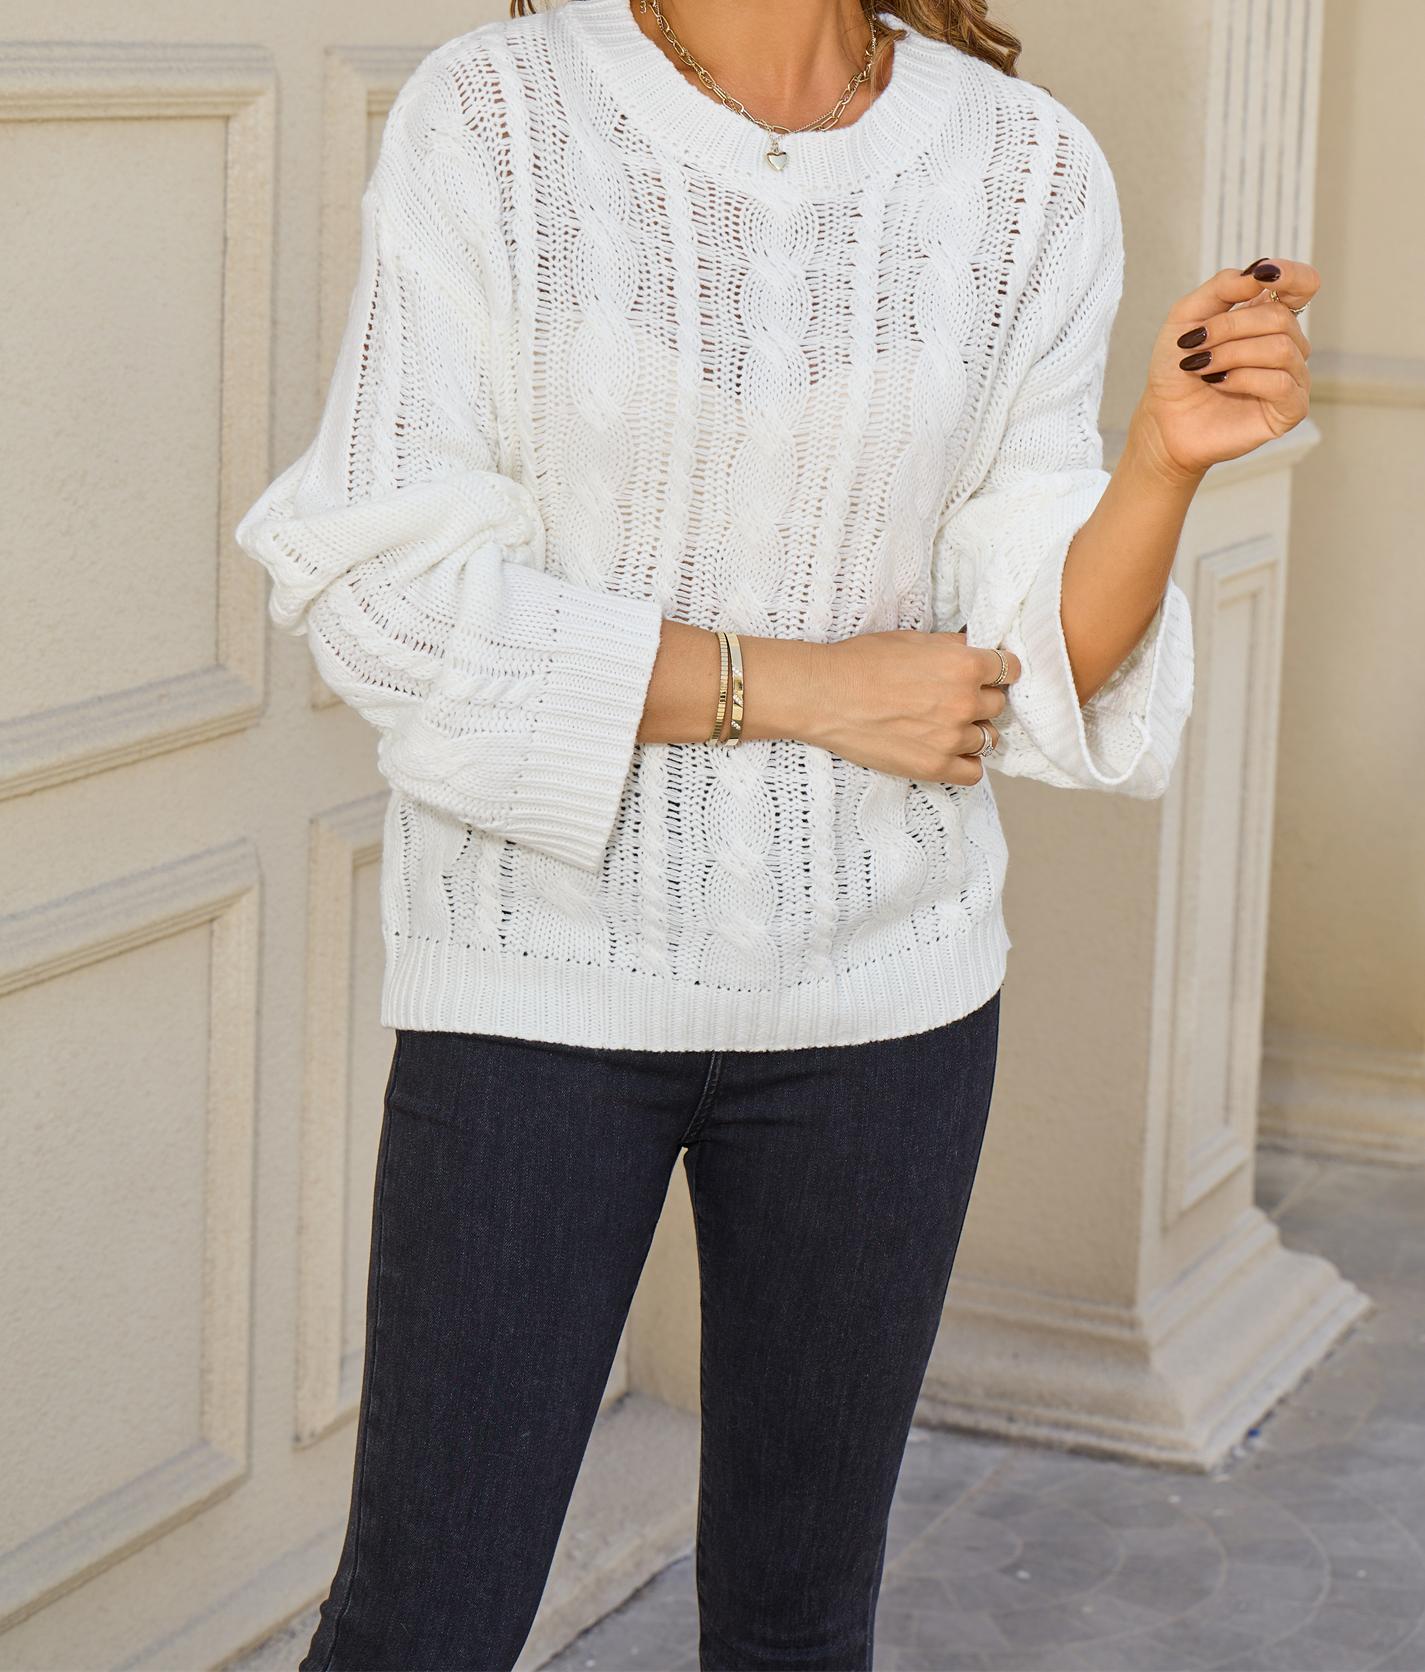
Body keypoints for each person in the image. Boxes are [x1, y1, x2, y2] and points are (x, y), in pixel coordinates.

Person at [235, 0, 1317, 1666]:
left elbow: (1022, 658)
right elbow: (389, 601)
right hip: (536, 995)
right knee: (423, 1628)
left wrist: (1159, 466)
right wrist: (806, 690)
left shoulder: (1022, 164)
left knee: (800, 1631)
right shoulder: (498, 113)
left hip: (888, 1013)